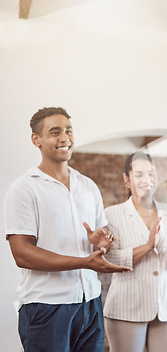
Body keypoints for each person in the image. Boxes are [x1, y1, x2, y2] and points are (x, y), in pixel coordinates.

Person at [5, 107, 130, 352]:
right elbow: (21, 254)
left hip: (90, 303)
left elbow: (99, 239)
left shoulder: (88, 186)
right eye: (55, 132)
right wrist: (84, 261)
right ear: (36, 140)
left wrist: (99, 243)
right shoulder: (24, 189)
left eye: (69, 131)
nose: (65, 138)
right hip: (46, 307)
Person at [103, 151, 167, 352]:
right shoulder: (113, 214)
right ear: (127, 179)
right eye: (139, 175)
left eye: (151, 173)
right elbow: (110, 260)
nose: (147, 180)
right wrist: (147, 246)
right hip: (126, 307)